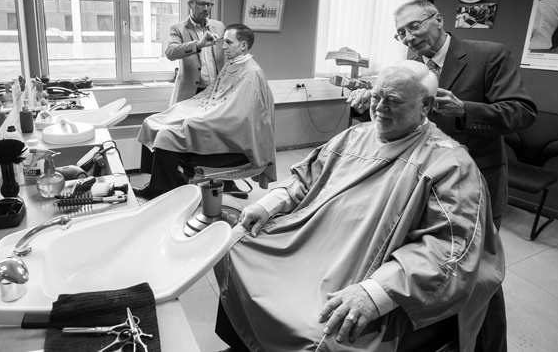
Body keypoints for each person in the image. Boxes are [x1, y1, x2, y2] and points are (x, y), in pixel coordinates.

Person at [214, 60, 504, 352]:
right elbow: (307, 177)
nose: (379, 108)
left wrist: (377, 291)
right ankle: (245, 343)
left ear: (426, 106)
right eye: (376, 97)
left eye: (393, 101)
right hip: (314, 243)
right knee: (236, 246)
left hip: (365, 265)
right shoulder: (355, 136)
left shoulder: (451, 164)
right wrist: (268, 204)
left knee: (325, 331)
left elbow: (448, 247)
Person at [349, 0, 537, 352]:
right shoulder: (410, 67)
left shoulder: (487, 55)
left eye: (413, 26)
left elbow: (522, 113)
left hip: (473, 183)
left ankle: (488, 343)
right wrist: (371, 106)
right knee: (429, 260)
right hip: (419, 182)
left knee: (478, 271)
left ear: (438, 19)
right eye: (401, 32)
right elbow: (397, 120)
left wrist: (465, 110)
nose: (408, 37)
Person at [133, 24, 276, 200]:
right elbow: (213, 97)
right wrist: (188, 110)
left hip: (233, 139)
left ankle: (159, 189)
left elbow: (238, 117)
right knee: (154, 120)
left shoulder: (252, 73)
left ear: (243, 46)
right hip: (214, 116)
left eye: (228, 42)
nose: (223, 47)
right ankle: (165, 180)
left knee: (167, 134)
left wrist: (200, 118)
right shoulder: (232, 66)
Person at [165, 0, 226, 105]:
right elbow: (170, 53)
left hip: (216, 92)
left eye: (209, 5)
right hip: (191, 93)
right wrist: (198, 44)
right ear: (190, 4)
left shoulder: (219, 27)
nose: (206, 8)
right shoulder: (178, 29)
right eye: (202, 4)